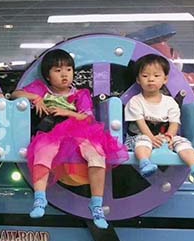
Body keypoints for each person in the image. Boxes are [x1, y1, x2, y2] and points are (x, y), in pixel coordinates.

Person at [11, 49, 128, 229]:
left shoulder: (80, 94)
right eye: (58, 71)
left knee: (97, 155)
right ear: (48, 76)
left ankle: (96, 204)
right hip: (52, 132)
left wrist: (67, 112)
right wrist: (35, 98)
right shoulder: (41, 89)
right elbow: (15, 94)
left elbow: (87, 118)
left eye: (68, 69)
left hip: (80, 132)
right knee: (43, 152)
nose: (64, 74)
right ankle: (40, 199)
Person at [125, 53, 194, 186]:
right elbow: (140, 123)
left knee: (184, 144)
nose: (151, 79)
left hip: (165, 136)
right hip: (141, 135)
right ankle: (145, 163)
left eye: (156, 76)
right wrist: (151, 138)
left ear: (165, 79)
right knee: (142, 141)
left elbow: (174, 123)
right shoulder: (135, 101)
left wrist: (169, 137)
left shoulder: (170, 102)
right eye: (145, 76)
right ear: (138, 80)